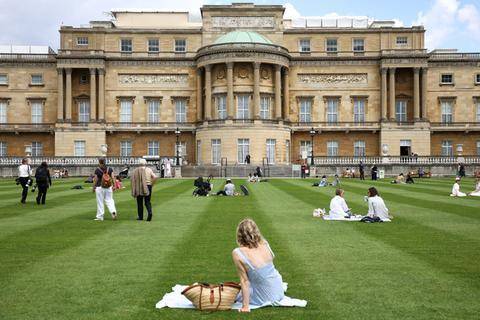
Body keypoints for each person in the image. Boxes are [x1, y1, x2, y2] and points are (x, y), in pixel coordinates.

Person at [232, 219, 284, 312]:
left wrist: (245, 307)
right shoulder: (265, 243)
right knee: (239, 287)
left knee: (234, 294)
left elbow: (245, 281)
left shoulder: (238, 253)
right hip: (279, 290)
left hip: (267, 296)